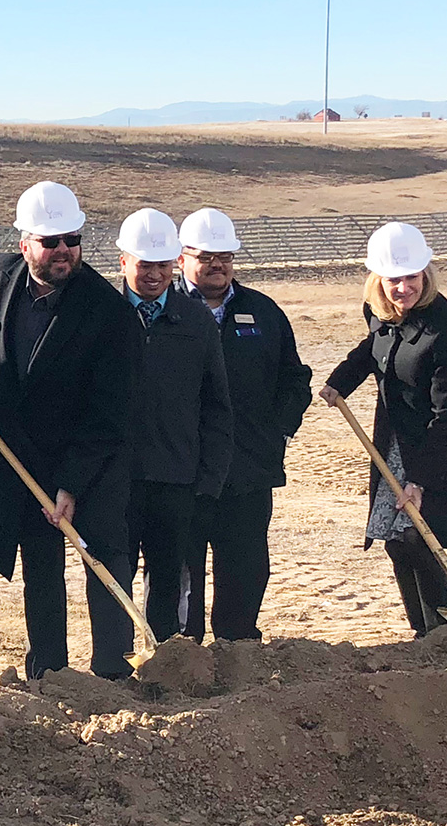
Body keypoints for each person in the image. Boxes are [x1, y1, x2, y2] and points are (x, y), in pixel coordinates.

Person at [0, 181, 136, 679]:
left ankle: (113, 669)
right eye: (51, 242)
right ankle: (49, 669)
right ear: (24, 244)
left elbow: (109, 411)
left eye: (72, 240)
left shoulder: (108, 311)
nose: (64, 251)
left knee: (104, 557)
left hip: (89, 459)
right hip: (22, 454)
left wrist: (71, 484)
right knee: (40, 565)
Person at [319, 222, 447, 637]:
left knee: (419, 535)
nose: (403, 288)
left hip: (444, 447)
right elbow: (374, 347)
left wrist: (419, 480)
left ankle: (442, 633)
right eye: (394, 279)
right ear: (378, 280)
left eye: (411, 277)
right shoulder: (380, 312)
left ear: (426, 274)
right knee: (397, 540)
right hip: (399, 439)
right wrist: (342, 381)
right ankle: (424, 633)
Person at [172, 208, 311, 642]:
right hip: (182, 472)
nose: (218, 265)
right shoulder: (166, 311)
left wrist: (277, 431)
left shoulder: (263, 313)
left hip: (248, 472)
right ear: (181, 258)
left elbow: (294, 379)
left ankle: (237, 652)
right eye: (206, 256)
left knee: (246, 568)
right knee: (180, 573)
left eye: (226, 256)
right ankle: (183, 655)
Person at [116, 207, 233, 646]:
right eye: (145, 265)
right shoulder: (103, 315)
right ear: (124, 261)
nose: (153, 275)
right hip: (117, 479)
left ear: (175, 264)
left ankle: (166, 663)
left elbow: (216, 406)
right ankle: (114, 664)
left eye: (163, 266)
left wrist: (209, 479)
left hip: (176, 479)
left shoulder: (196, 319)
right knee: (114, 576)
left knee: (169, 580)